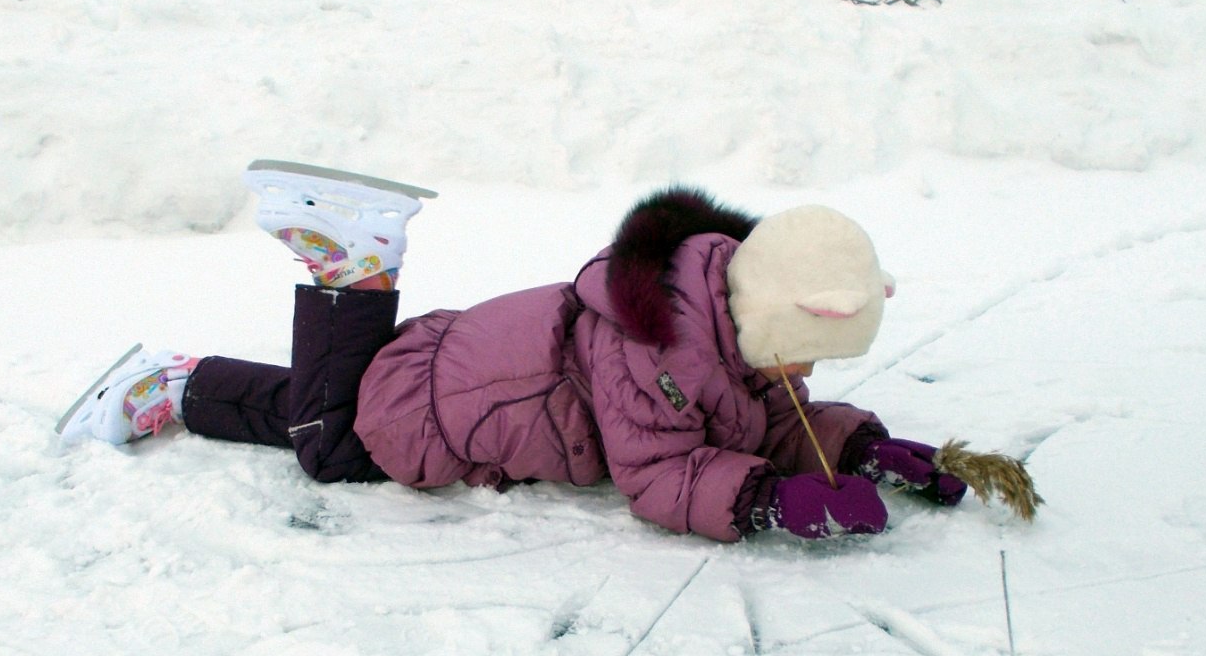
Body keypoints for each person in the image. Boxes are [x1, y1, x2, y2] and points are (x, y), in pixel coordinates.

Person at [56, 167, 965, 543]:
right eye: (804, 357)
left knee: (329, 405)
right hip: (451, 407)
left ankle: (192, 369)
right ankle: (335, 273)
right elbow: (660, 474)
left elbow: (758, 417)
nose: (803, 380)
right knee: (331, 443)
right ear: (773, 317)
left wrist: (853, 446)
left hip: (465, 365)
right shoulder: (666, 354)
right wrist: (770, 501)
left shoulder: (710, 301)